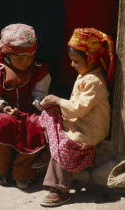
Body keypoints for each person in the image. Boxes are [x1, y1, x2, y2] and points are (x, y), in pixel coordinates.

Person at [39, 28, 115, 207]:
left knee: (65, 145)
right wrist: (54, 104)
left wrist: (58, 100)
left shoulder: (94, 82)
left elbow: (79, 109)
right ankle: (48, 149)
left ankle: (60, 189)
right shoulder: (85, 76)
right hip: (79, 120)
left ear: (91, 59)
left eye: (76, 61)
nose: (72, 65)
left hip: (88, 130)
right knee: (48, 114)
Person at [0, 23, 51, 189]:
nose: (26, 62)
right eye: (20, 58)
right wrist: (4, 108)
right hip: (8, 113)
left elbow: (39, 94)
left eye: (30, 57)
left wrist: (39, 103)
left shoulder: (40, 72)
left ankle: (22, 174)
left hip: (30, 113)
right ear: (7, 54)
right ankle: (0, 170)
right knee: (5, 123)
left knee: (36, 126)